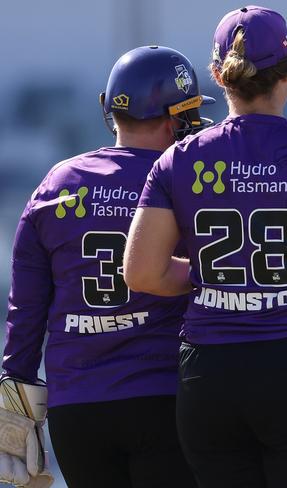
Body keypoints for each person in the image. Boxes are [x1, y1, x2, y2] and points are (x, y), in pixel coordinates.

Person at [123, 6, 287, 488]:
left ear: (219, 76)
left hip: (212, 372)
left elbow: (142, 273)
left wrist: (216, 280)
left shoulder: (178, 159)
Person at [1, 45, 214, 488]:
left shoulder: (58, 182)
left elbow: (26, 307)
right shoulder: (183, 178)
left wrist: (14, 383)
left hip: (77, 408)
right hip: (163, 396)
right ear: (176, 115)